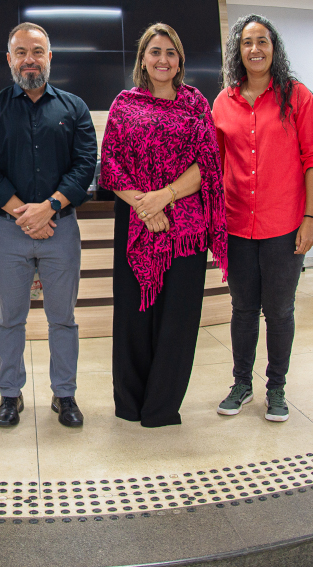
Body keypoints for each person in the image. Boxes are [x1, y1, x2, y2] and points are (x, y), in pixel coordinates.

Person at [98, 23, 228, 427]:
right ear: (143, 59)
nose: (162, 59)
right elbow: (111, 162)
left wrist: (164, 196)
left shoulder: (195, 104)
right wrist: (144, 205)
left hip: (187, 230)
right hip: (137, 225)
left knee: (178, 320)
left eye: (171, 53)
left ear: (180, 61)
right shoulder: (124, 103)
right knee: (134, 316)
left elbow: (207, 166)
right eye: (155, 51)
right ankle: (131, 403)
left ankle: (161, 407)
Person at [0, 22, 98, 428]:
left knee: (63, 318)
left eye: (37, 51)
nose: (30, 59)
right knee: (11, 319)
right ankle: (10, 394)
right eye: (21, 52)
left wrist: (49, 208)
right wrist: (24, 214)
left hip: (61, 228)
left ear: (49, 57)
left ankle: (65, 395)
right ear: (10, 60)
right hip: (8, 231)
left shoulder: (74, 108)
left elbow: (84, 167)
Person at [212, 14, 313, 423]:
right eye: (247, 42)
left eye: (262, 41)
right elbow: (217, 164)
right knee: (243, 308)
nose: (255, 49)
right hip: (237, 225)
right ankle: (241, 383)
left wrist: (310, 217)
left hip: (285, 226)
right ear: (238, 51)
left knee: (279, 310)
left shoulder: (297, 97)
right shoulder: (223, 102)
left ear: (273, 48)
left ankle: (275, 386)